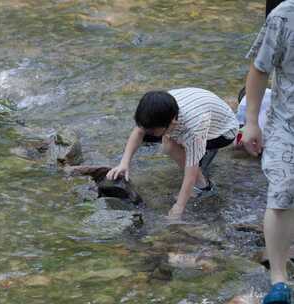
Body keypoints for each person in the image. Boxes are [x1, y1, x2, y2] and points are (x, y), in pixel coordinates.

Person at [106, 88, 239, 218]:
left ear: (172, 123)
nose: (147, 132)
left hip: (224, 132)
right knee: (162, 139)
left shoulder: (194, 128)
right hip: (202, 115)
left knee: (169, 145)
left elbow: (190, 173)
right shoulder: (159, 107)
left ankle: (204, 187)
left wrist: (179, 206)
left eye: (152, 130)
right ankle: (201, 153)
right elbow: (139, 131)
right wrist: (124, 163)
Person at [244, 1, 294, 303]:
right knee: (282, 191)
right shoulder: (285, 15)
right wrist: (251, 121)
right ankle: (279, 279)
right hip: (287, 125)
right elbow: (259, 68)